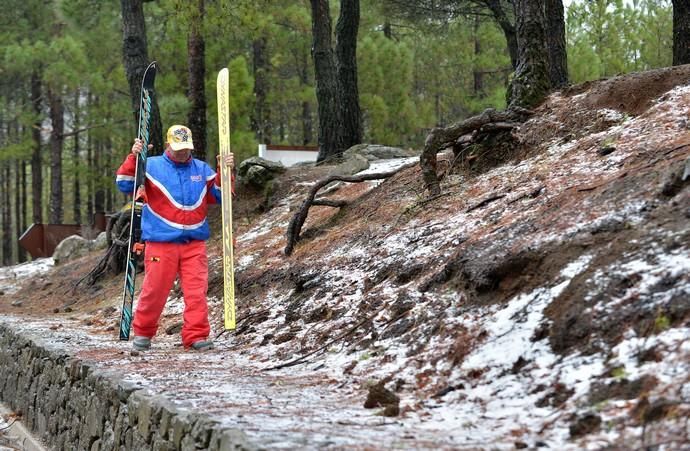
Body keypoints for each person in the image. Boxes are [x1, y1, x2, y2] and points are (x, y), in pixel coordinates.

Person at [116, 124, 234, 351]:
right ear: (168, 144)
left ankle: (197, 335)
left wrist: (225, 172)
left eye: (186, 148)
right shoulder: (151, 165)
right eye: (178, 147)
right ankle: (143, 333)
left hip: (194, 243)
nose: (182, 152)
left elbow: (220, 196)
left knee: (196, 292)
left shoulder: (201, 168)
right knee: (154, 290)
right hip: (161, 244)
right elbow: (124, 183)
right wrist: (134, 157)